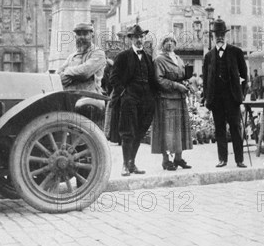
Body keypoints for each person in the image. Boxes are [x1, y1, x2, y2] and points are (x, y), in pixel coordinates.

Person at [109, 24, 157, 176]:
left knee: (140, 132)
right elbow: (114, 78)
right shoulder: (123, 56)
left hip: (146, 101)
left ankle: (132, 163)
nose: (140, 40)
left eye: (142, 37)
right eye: (136, 37)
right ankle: (124, 164)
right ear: (131, 39)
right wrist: (124, 93)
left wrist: (153, 97)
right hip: (129, 99)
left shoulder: (148, 58)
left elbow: (153, 80)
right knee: (128, 132)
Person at [203, 18, 248, 168]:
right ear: (213, 36)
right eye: (217, 34)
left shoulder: (236, 52)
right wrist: (207, 99)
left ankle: (239, 160)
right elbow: (205, 81)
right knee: (220, 129)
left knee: (235, 128)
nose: (220, 36)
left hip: (232, 98)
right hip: (216, 100)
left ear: (225, 35)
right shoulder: (208, 56)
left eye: (222, 33)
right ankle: (222, 159)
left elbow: (244, 76)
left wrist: (241, 96)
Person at [151, 35, 193, 171]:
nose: (169, 44)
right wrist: (176, 86)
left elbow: (182, 76)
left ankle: (178, 158)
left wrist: (187, 84)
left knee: (180, 129)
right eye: (166, 41)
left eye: (171, 41)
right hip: (166, 99)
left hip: (180, 100)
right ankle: (166, 160)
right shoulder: (159, 60)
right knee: (167, 130)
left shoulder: (178, 59)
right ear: (162, 44)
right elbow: (159, 79)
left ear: (175, 44)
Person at [57, 22, 106, 93]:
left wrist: (66, 72)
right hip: (70, 95)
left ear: (92, 35)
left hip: (90, 96)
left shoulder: (98, 53)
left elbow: (84, 72)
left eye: (85, 34)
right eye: (79, 34)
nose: (82, 37)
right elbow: (58, 74)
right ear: (75, 37)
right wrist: (72, 75)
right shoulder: (72, 56)